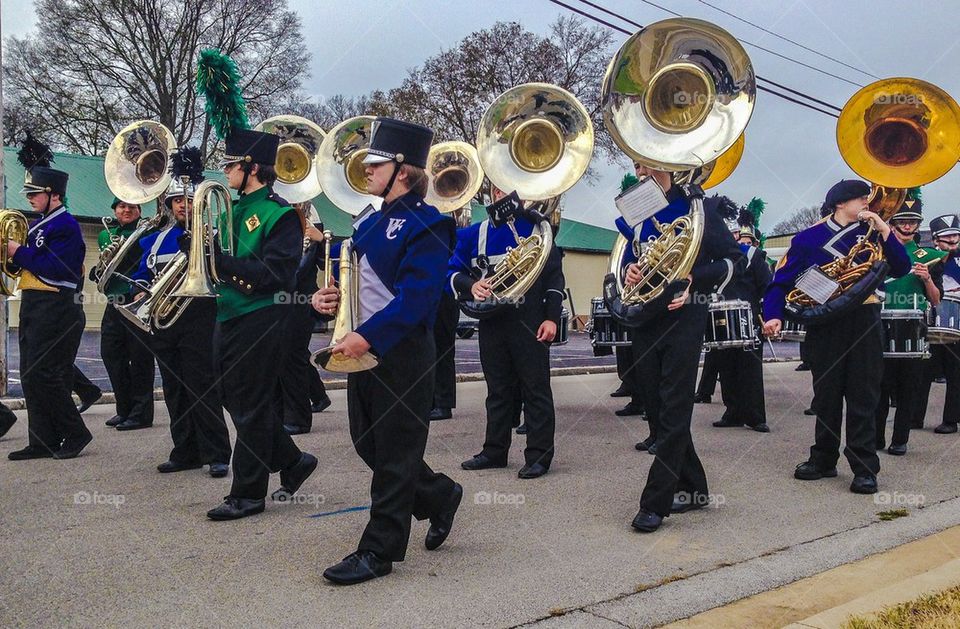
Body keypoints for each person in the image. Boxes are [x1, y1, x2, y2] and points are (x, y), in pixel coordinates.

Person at [313, 117, 463, 585]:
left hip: (402, 353)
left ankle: (379, 551)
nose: (366, 169)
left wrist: (369, 336)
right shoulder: (368, 223)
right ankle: (438, 494)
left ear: (401, 169)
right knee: (368, 443)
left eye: (375, 162)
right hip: (363, 346)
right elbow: (360, 287)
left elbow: (418, 300)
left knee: (396, 454)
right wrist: (329, 300)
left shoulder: (431, 224)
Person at [763, 180, 911, 494]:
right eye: (862, 200)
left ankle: (864, 468)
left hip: (864, 321)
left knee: (863, 398)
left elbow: (902, 267)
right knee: (826, 397)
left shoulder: (873, 233)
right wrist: (773, 313)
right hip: (825, 322)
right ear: (841, 203)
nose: (868, 206)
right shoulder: (807, 238)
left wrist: (886, 230)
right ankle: (823, 458)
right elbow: (780, 282)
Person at [619, 165, 745, 533]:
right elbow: (632, 255)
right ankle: (695, 487)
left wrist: (695, 282)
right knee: (656, 410)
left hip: (684, 318)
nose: (640, 170)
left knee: (674, 408)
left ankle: (655, 502)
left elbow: (733, 259)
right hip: (646, 316)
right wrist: (630, 270)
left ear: (669, 165)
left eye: (647, 162)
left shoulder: (699, 209)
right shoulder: (638, 209)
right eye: (637, 163)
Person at [203, 127, 317, 520]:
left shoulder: (281, 214)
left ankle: (248, 493)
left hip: (262, 315)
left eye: (231, 164)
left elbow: (278, 274)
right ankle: (292, 460)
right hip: (228, 312)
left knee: (250, 405)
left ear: (251, 168)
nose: (226, 171)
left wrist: (221, 261)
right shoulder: (230, 208)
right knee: (229, 396)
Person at [129, 147, 232, 478]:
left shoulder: (211, 234)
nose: (183, 206)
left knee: (201, 386)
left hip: (199, 317)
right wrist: (139, 287)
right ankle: (185, 450)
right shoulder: (157, 239)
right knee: (173, 387)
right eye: (177, 201)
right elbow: (143, 273)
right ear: (169, 205)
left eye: (188, 201)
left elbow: (220, 273)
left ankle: (217, 452)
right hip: (163, 318)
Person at [451, 186, 565, 480]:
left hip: (531, 319)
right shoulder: (475, 232)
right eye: (496, 186)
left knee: (535, 388)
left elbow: (554, 277)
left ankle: (539, 456)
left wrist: (552, 318)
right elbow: (450, 270)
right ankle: (494, 451)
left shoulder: (539, 227)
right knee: (497, 390)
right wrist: (470, 285)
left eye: (507, 186)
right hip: (492, 320)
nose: (501, 193)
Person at [7, 134, 91, 460]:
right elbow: (31, 264)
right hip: (33, 303)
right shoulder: (39, 224)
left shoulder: (66, 226)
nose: (29, 197)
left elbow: (59, 270)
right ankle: (41, 440)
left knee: (47, 373)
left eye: (34, 192)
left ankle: (75, 432)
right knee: (30, 374)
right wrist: (14, 257)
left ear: (53, 195)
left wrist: (19, 252)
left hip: (56, 305)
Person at [873, 198, 943, 455]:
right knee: (878, 387)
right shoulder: (878, 250)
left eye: (912, 221)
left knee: (908, 387)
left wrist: (926, 280)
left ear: (918, 225)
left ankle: (900, 439)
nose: (907, 225)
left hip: (913, 329)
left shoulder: (931, 257)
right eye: (902, 221)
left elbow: (936, 299)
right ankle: (876, 438)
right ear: (892, 223)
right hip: (879, 323)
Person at [95, 197, 156, 431]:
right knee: (111, 355)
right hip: (114, 301)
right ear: (114, 210)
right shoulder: (105, 235)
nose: (126, 210)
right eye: (121, 206)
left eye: (132, 206)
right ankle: (124, 408)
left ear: (139, 210)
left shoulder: (146, 233)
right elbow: (105, 266)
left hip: (135, 301)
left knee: (140, 358)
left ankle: (141, 414)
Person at [712, 217, 772, 433]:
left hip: (748, 316)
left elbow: (766, 284)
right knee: (726, 366)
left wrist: (767, 315)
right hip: (720, 316)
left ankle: (756, 416)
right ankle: (733, 413)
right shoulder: (714, 256)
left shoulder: (752, 255)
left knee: (750, 367)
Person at [278, 201, 331, 435]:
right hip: (282, 297)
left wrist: (321, 240)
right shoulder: (282, 220)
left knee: (293, 355)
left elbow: (320, 266)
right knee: (292, 353)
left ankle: (299, 419)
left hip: (301, 298)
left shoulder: (312, 222)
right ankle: (318, 396)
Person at [916, 214, 960, 434]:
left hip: (957, 322)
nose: (952, 239)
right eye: (946, 237)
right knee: (922, 370)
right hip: (931, 321)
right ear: (935, 240)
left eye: (955, 234)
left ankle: (951, 420)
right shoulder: (929, 259)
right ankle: (915, 417)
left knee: (956, 372)